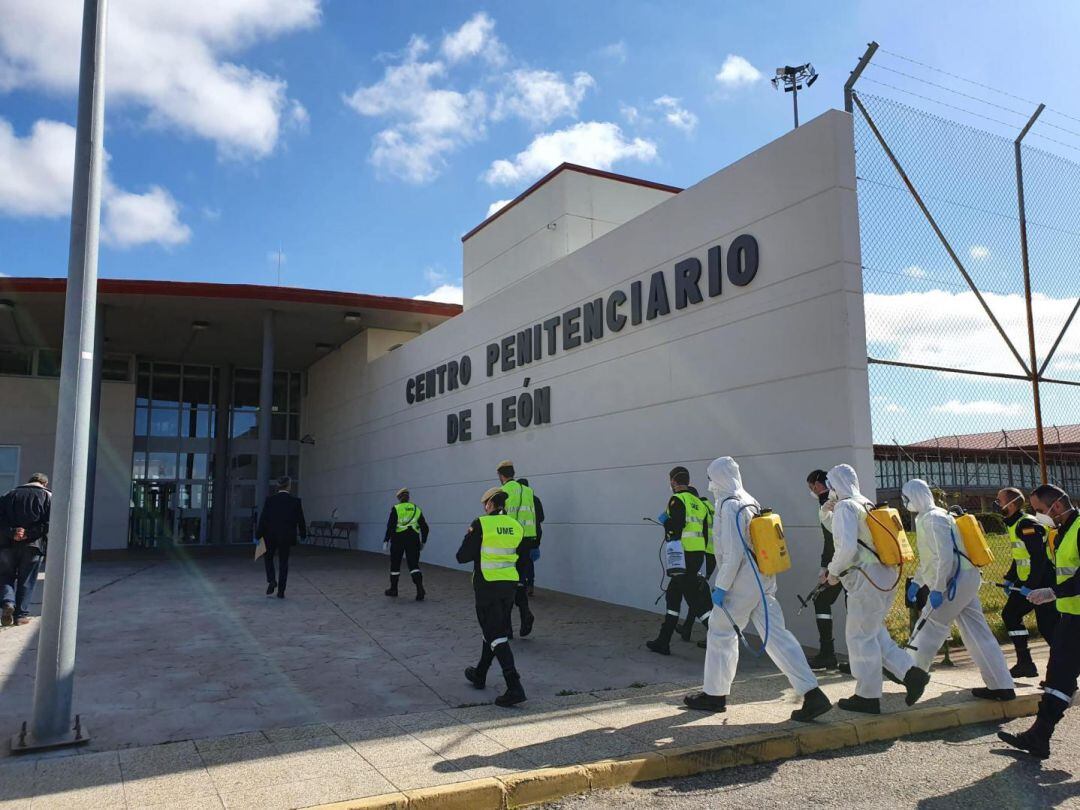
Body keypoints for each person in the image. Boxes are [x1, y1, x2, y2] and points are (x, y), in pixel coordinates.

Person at [683, 457, 832, 721]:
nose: (708, 484)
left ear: (718, 478)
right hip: (763, 576)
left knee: (720, 631)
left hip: (743, 580)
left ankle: (715, 695)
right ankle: (813, 693)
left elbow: (732, 554)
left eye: (710, 477)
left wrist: (720, 587)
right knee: (777, 637)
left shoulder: (729, 506)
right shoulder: (750, 500)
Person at [825, 464, 929, 714]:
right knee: (874, 633)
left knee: (859, 636)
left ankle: (867, 696)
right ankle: (912, 674)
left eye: (830, 484)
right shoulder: (865, 503)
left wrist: (832, 572)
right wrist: (825, 512)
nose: (828, 490)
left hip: (865, 578)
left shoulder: (845, 506)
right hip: (885, 574)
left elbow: (847, 548)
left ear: (836, 484)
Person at [902, 479, 1014, 701]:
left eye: (906, 497)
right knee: (977, 632)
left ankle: (910, 675)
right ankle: (1001, 685)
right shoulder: (932, 517)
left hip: (955, 581)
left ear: (915, 496)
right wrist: (918, 581)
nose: (905, 502)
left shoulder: (933, 519)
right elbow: (931, 559)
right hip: (964, 579)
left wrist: (937, 588)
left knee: (929, 625)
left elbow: (944, 557)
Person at [999, 485, 1079, 759]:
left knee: (1060, 676)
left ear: (1055, 507)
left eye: (1040, 509)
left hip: (1076, 617)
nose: (1037, 514)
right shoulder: (1062, 531)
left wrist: (1051, 591)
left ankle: (1038, 736)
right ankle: (1039, 736)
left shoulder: (1078, 529)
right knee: (1059, 678)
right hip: (1071, 615)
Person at [457, 486, 527, 707]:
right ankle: (480, 673)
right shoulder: (515, 525)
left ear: (489, 504)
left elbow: (462, 556)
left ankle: (514, 686)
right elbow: (523, 558)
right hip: (509, 586)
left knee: (496, 634)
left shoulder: (481, 523)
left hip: (487, 586)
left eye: (484, 505)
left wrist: (470, 536)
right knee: (493, 630)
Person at [646, 466, 712, 655]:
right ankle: (663, 641)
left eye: (670, 481)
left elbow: (675, 527)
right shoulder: (698, 502)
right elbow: (705, 533)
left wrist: (666, 522)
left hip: (682, 556)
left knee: (694, 600)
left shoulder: (677, 499)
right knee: (673, 595)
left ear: (673, 481)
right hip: (697, 554)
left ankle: (720, 636)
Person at [997, 487, 1058, 678]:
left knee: (1048, 628)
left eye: (999, 501)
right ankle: (1025, 663)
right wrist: (1010, 578)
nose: (997, 505)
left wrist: (1030, 586)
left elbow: (1039, 558)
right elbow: (1020, 555)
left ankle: (1061, 669)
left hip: (1042, 583)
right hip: (1028, 582)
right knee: (1011, 615)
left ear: (1012, 504)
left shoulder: (1027, 525)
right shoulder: (1015, 524)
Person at [0, 473, 51, 627]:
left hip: (7, 545)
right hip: (33, 546)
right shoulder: (47, 497)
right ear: (44, 484)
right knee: (26, 579)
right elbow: (49, 522)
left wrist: (13, 532)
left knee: (4, 575)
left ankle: (8, 601)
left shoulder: (8, 495)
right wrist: (28, 534)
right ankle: (20, 615)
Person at [806, 469, 843, 671]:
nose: (811, 491)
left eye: (811, 487)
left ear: (818, 485)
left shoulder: (826, 502)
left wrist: (826, 569)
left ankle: (827, 654)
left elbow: (831, 540)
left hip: (841, 564)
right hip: (853, 563)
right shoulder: (842, 498)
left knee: (821, 599)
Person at [497, 461, 536, 637]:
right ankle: (525, 612)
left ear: (501, 476)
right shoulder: (528, 491)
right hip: (526, 540)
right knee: (519, 579)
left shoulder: (503, 492)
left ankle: (507, 626)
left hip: (509, 541)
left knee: (506, 582)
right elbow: (533, 516)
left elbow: (500, 517)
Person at [255, 476, 307, 599]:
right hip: (286, 536)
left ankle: (272, 580)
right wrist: (303, 534)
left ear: (278, 486)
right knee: (284, 563)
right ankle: (281, 591)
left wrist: (258, 535)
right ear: (288, 486)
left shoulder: (270, 500)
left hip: (270, 535)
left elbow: (263, 519)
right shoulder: (295, 501)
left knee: (268, 558)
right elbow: (301, 519)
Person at [678, 476, 715, 644]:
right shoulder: (710, 507)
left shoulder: (698, 509)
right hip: (714, 557)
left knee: (697, 597)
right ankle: (687, 628)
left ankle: (714, 632)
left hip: (702, 556)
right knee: (695, 594)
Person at [383, 488, 429, 600]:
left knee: (395, 565)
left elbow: (391, 526)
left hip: (398, 540)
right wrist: (423, 541)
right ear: (408, 497)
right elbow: (425, 528)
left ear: (399, 498)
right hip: (413, 540)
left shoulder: (396, 509)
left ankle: (393, 589)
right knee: (414, 565)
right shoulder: (416, 509)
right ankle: (420, 589)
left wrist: (386, 540)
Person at [517, 478, 544, 597]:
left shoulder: (519, 500)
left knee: (521, 559)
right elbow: (542, 517)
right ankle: (530, 584)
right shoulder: (536, 499)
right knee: (529, 560)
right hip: (535, 535)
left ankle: (522, 584)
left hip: (523, 536)